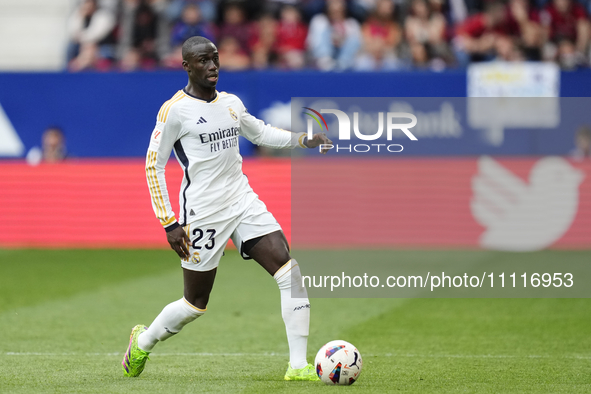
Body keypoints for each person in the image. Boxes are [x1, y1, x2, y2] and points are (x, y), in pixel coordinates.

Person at [121, 36, 332, 381]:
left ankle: (297, 366)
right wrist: (170, 222)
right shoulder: (174, 110)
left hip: (242, 200)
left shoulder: (231, 103)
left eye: (215, 60)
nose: (213, 67)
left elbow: (261, 133)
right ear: (187, 66)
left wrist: (302, 139)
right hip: (203, 212)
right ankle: (143, 341)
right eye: (203, 61)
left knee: (288, 270)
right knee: (195, 304)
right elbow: (152, 166)